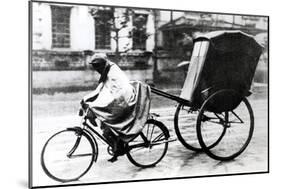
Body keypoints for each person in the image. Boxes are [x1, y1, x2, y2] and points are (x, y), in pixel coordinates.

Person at [81, 53, 151, 162]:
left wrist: (96, 105)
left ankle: (119, 145)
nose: (96, 69)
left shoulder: (112, 73)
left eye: (97, 66)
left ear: (103, 64)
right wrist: (87, 99)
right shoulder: (107, 69)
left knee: (106, 116)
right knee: (105, 126)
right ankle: (116, 146)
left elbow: (119, 93)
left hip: (125, 101)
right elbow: (100, 90)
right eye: (94, 66)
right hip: (119, 99)